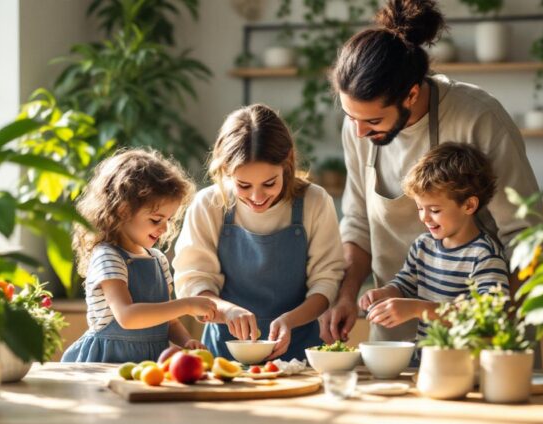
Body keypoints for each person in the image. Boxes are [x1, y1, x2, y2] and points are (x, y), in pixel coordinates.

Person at [319, 0, 540, 344]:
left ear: (411, 94)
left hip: (481, 333)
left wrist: (494, 327)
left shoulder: (477, 117)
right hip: (396, 332)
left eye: (373, 120)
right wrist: (346, 296)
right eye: (351, 118)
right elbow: (359, 223)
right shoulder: (359, 129)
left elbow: (526, 238)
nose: (360, 132)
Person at [173, 104, 344, 361]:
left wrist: (290, 320)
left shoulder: (315, 201)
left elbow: (326, 282)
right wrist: (227, 310)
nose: (257, 197)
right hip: (224, 352)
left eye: (269, 183)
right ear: (226, 170)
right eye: (243, 185)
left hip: (301, 353)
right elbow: (194, 282)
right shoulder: (208, 205)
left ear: (287, 161)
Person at [62, 149, 216, 363]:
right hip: (106, 362)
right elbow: (127, 316)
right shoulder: (108, 256)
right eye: (156, 220)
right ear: (124, 211)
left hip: (150, 364)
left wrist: (187, 342)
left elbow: (169, 322)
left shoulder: (157, 259)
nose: (163, 228)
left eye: (169, 220)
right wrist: (187, 305)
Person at [359, 142, 509, 347]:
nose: (424, 218)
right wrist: (384, 294)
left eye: (434, 210)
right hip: (427, 358)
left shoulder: (484, 255)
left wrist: (417, 309)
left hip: (465, 364)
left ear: (469, 205)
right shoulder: (423, 246)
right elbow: (404, 285)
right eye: (420, 208)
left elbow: (488, 316)